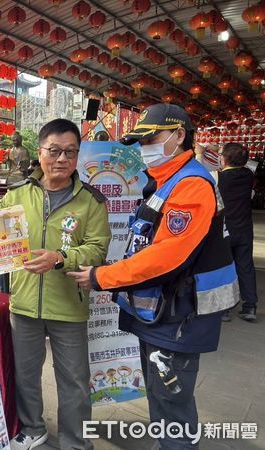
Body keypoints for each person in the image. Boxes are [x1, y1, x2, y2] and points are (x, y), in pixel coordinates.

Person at [68, 104, 239, 449]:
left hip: (179, 316)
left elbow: (166, 258)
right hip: (162, 314)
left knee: (172, 404)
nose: (145, 147)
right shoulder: (166, 181)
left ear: (179, 136)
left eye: (152, 138)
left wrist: (103, 277)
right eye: (140, 140)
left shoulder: (191, 185)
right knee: (161, 398)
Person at [0, 119, 111, 450]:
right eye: (54, 150)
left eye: (70, 152)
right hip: (23, 302)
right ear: (40, 152)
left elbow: (98, 248)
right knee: (25, 374)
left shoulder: (91, 201)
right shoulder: (17, 194)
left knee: (75, 381)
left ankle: (76, 442)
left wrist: (60, 258)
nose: (61, 159)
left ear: (77, 156)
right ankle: (33, 428)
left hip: (68, 305)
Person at [218, 142, 258, 322]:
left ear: (224, 159)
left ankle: (226, 309)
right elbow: (248, 164)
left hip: (225, 230)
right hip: (244, 230)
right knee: (246, 266)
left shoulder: (218, 177)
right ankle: (250, 306)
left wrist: (205, 152)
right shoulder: (248, 175)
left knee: (225, 268)